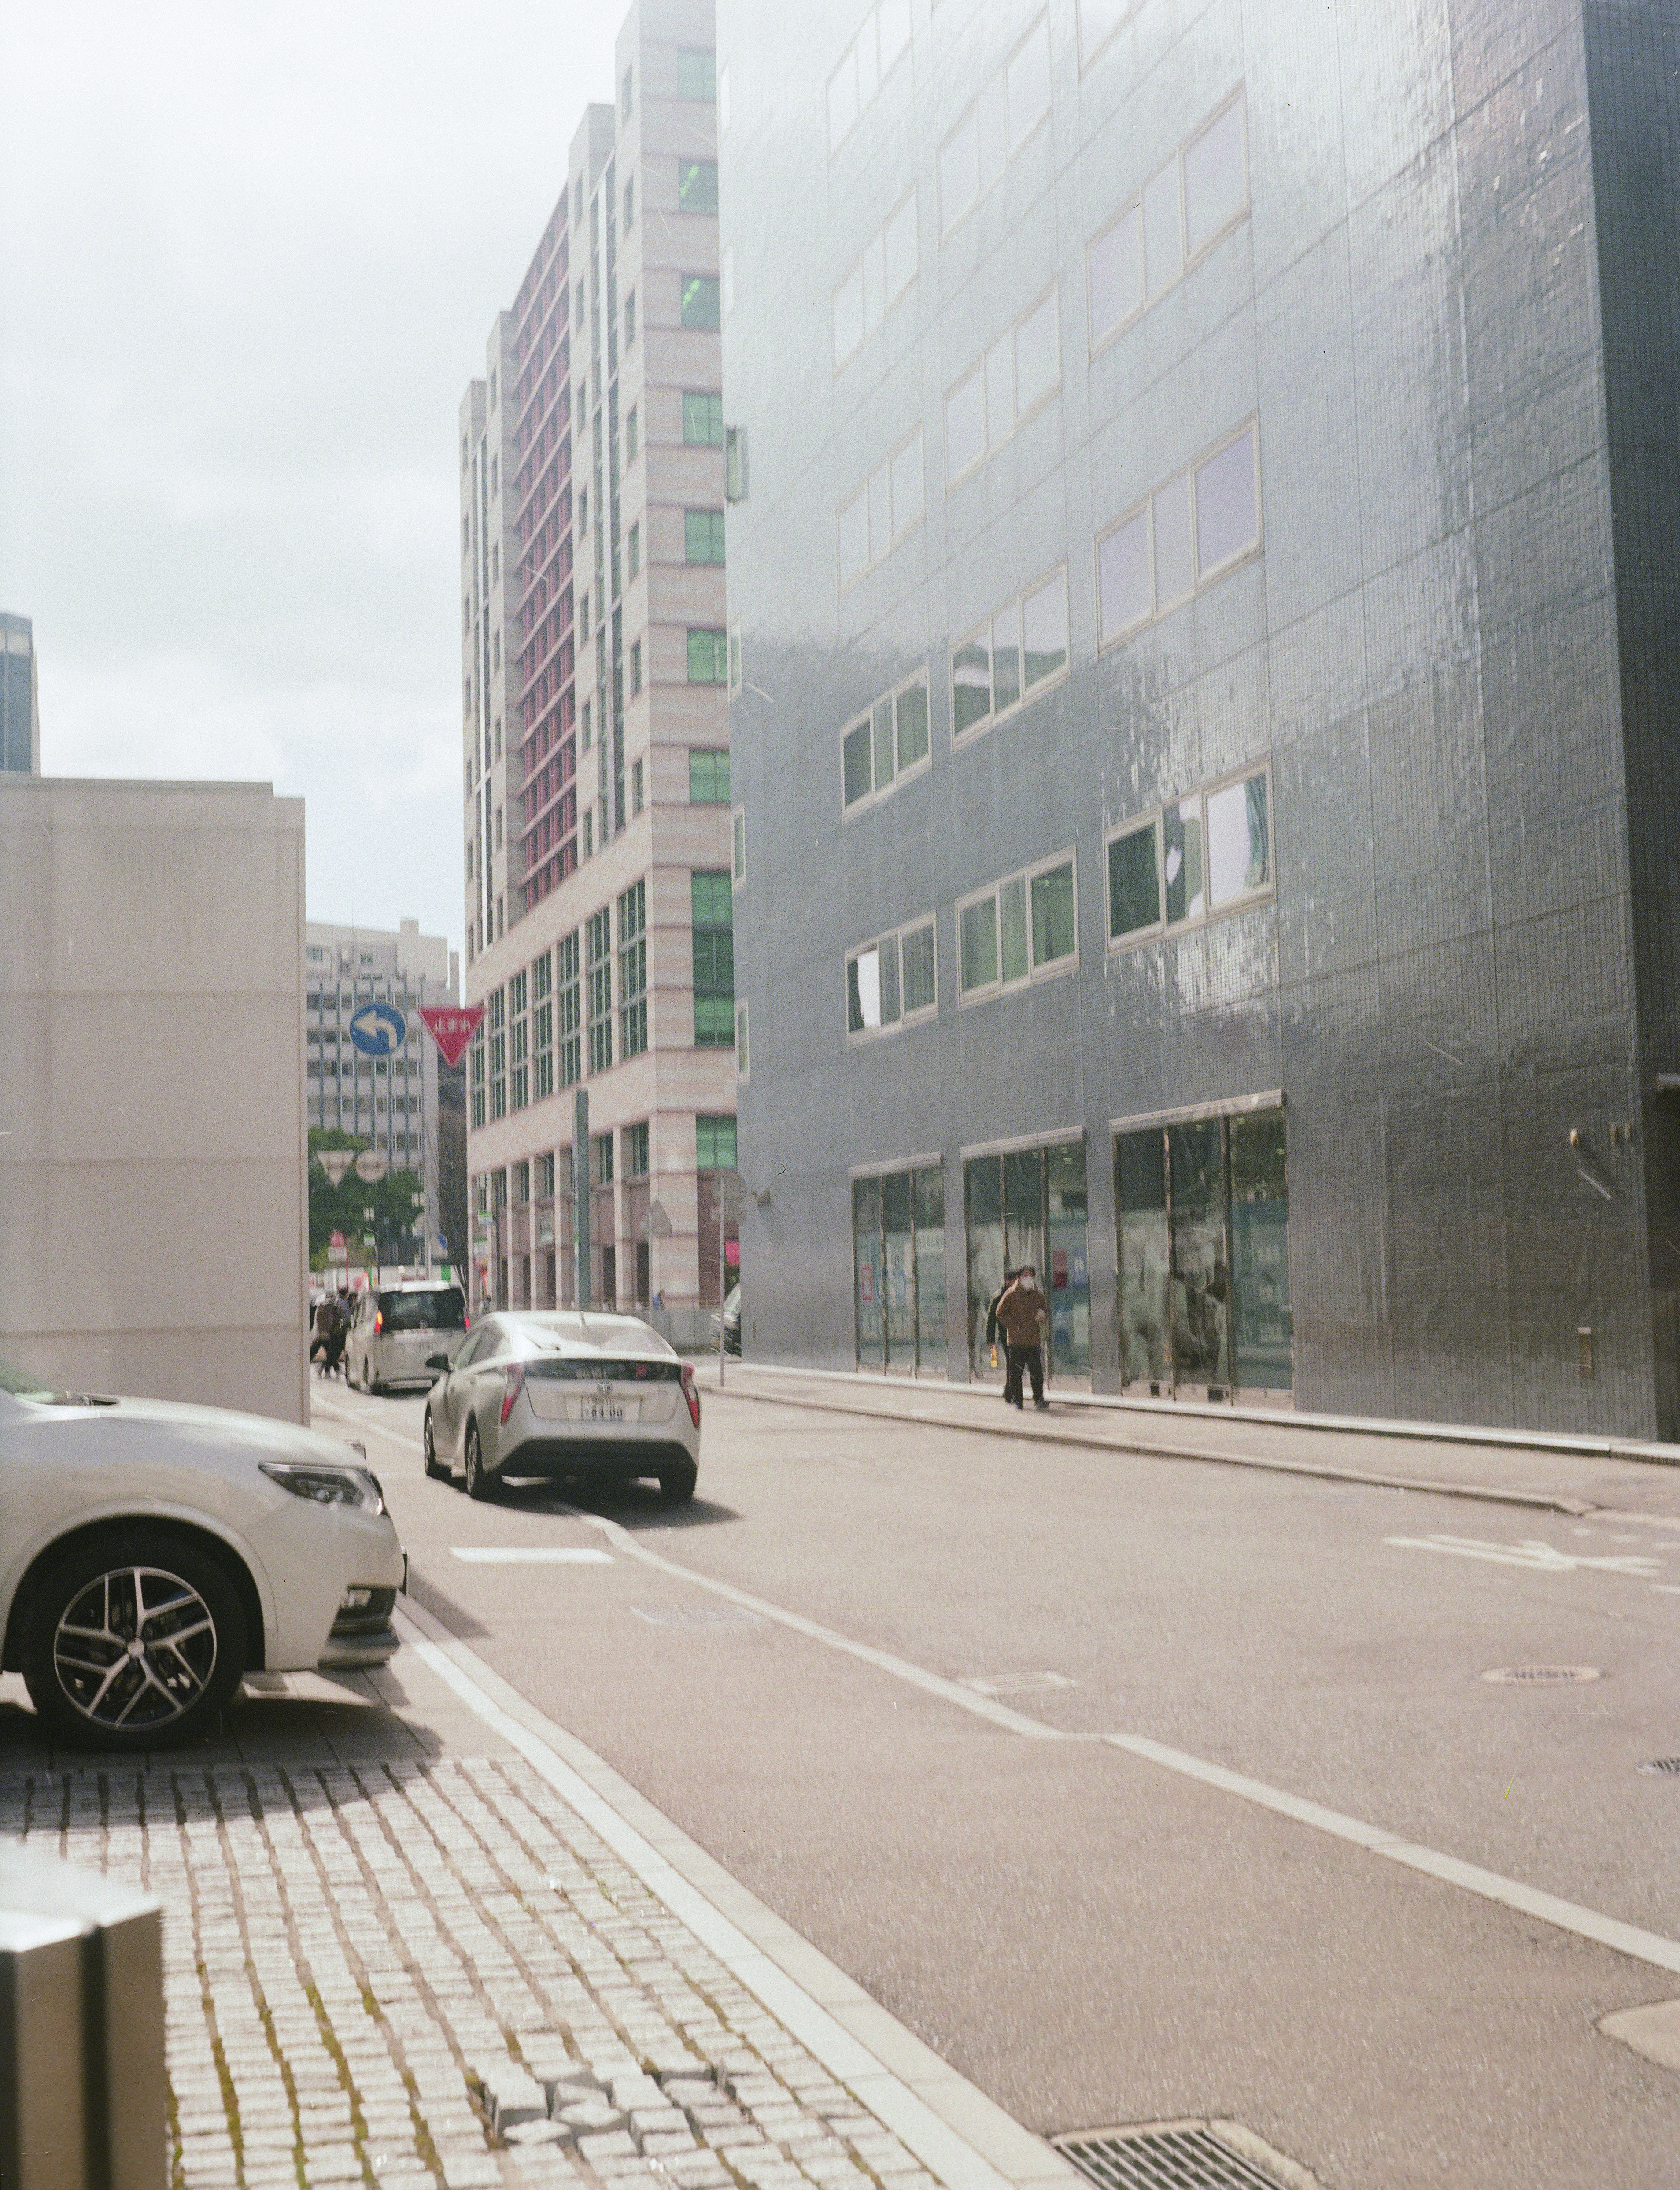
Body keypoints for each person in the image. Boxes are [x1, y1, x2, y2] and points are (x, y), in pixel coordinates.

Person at [994, 1265, 1049, 1410]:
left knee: (1036, 1373)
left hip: (1033, 1340)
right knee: (1016, 1373)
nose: (1028, 1279)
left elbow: (1045, 1310)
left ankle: (1039, 1399)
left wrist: (1042, 1316)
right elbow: (1000, 1313)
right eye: (1025, 1276)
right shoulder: (1011, 1294)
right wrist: (1013, 1326)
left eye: (1031, 1276)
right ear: (1019, 1278)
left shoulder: (1038, 1294)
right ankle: (1017, 1401)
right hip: (1016, 1341)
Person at [984, 1269, 1016, 1384]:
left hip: (1018, 1333)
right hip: (1005, 1334)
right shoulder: (999, 1297)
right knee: (1011, 1360)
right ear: (1008, 1281)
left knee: (1014, 1362)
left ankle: (1010, 1388)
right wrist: (991, 1340)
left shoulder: (1017, 1295)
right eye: (1014, 1281)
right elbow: (991, 1320)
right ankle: (1010, 1388)